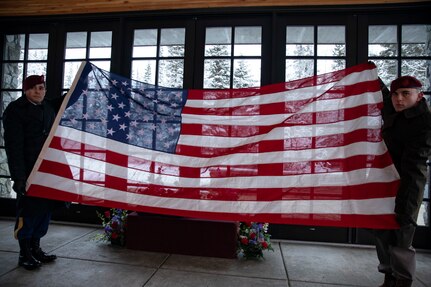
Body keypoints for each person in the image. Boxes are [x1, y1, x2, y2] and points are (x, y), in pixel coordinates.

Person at [3, 75, 65, 270]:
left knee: (44, 210)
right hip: (28, 170)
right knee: (28, 212)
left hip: (48, 169)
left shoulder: (47, 107)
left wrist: (78, 84)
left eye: (41, 87)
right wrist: (19, 177)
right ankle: (25, 253)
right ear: (26, 90)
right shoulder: (15, 110)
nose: (38, 91)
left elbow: (62, 101)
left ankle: (36, 248)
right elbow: (14, 147)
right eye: (34, 88)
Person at [375, 75, 431, 287]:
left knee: (402, 231)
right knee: (380, 227)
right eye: (396, 94)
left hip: (409, 181)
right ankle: (389, 276)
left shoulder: (424, 122)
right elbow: (383, 94)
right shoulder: (394, 107)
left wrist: (402, 200)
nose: (399, 99)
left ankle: (402, 280)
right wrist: (371, 74)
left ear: (419, 95)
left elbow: (413, 167)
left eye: (406, 94)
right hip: (386, 178)